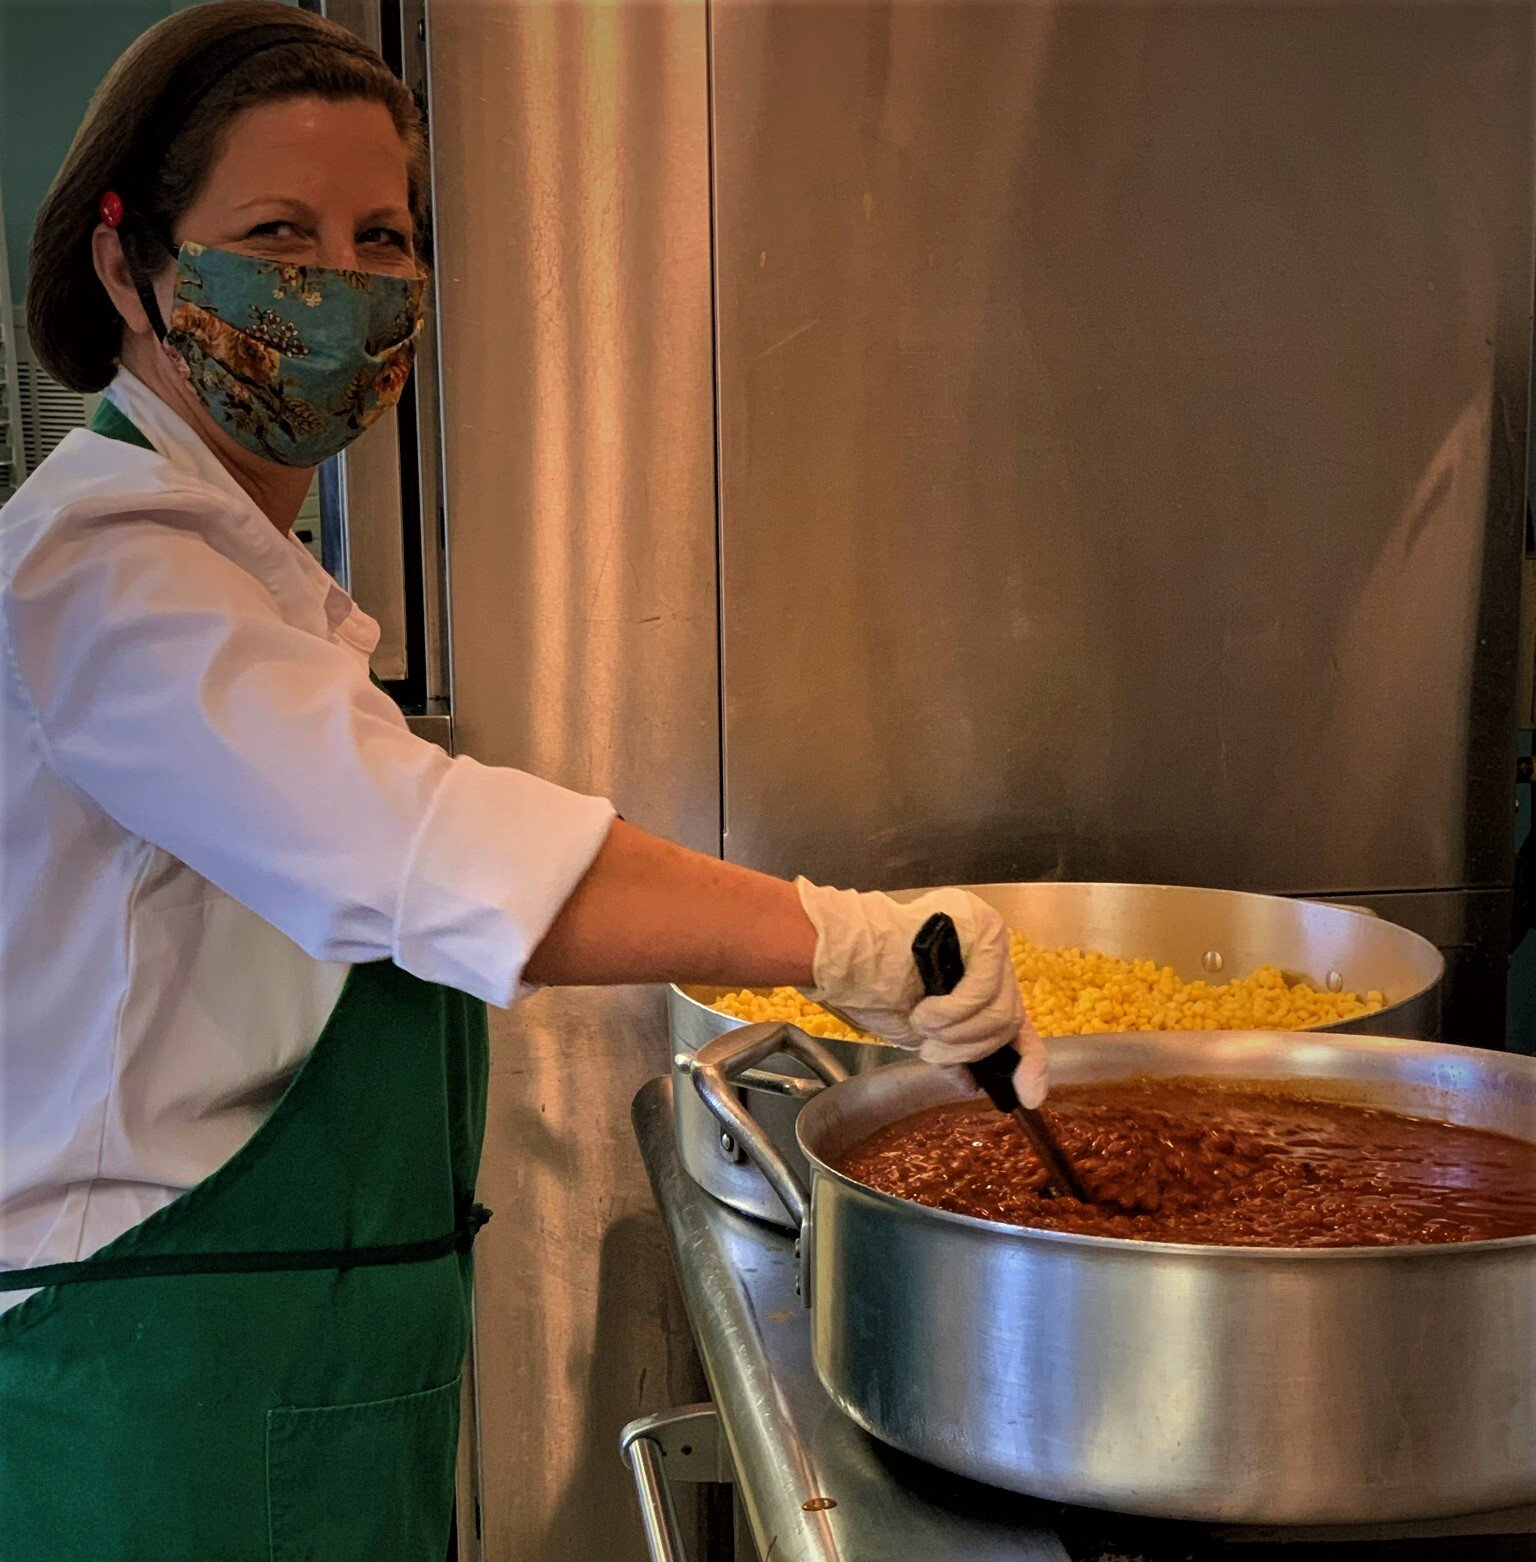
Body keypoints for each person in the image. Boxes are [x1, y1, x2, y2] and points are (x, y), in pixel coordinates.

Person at [0, 5, 1046, 1556]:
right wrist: (843, 939)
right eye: (277, 233)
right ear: (125, 266)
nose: (340, 283)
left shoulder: (252, 573)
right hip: (152, 1405)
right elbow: (414, 847)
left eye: (382, 237)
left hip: (290, 1369)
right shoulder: (108, 574)